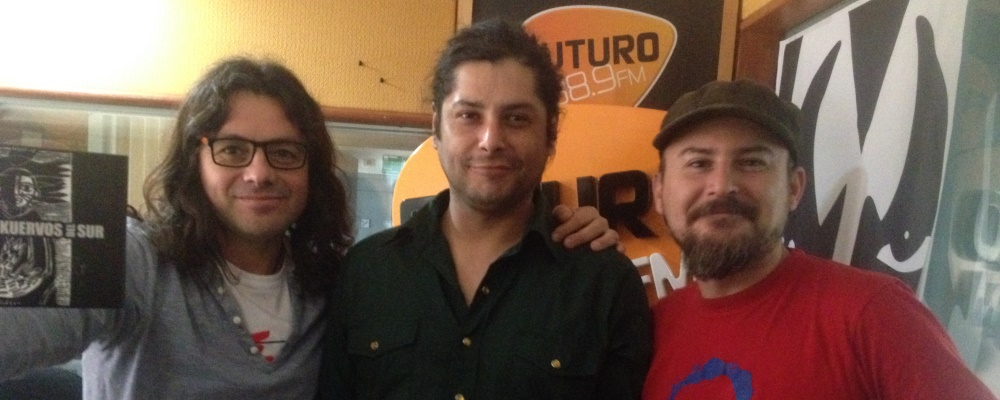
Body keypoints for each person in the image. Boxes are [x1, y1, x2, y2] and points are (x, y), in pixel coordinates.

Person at [0, 56, 616, 399]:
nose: (259, 173)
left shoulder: (334, 282)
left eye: (285, 152)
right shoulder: (137, 261)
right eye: (233, 149)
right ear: (195, 158)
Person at [318, 20, 652, 400]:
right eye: (469, 116)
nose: (491, 141)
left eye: (516, 118)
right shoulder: (366, 273)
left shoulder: (606, 284)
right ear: (436, 128)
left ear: (550, 133)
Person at [641, 79, 996, 399]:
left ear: (794, 188)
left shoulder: (873, 312)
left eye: (752, 162)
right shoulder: (651, 328)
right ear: (659, 191)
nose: (721, 186)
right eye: (698, 163)